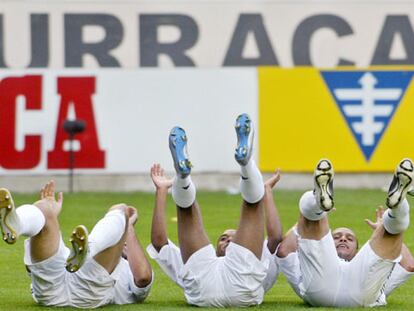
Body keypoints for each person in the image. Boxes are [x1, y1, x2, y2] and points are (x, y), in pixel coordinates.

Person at [146, 113, 282, 307]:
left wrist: (161, 191)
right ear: (218, 248)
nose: (227, 239)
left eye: (230, 237)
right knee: (253, 204)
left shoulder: (238, 253)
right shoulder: (249, 254)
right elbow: (275, 237)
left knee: (186, 210)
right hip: (240, 286)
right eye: (224, 238)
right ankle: (245, 164)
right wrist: (265, 192)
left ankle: (183, 178)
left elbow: (159, 244)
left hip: (204, 289)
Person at [276, 158, 414, 307]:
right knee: (391, 232)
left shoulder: (359, 262)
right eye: (336, 237)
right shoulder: (324, 255)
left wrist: (382, 229)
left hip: (324, 292)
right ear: (329, 243)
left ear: (357, 251)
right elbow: (409, 265)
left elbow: (284, 250)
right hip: (355, 294)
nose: (343, 239)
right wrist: (385, 232)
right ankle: (398, 208)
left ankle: (316, 201)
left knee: (313, 219)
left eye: (349, 238)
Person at [0, 180, 153, 308]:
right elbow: (33, 267)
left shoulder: (125, 269)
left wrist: (128, 228)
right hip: (57, 283)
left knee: (121, 209)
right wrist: (51, 216)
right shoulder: (71, 256)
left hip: (82, 293)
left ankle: (89, 250)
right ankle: (16, 225)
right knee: (44, 207)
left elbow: (143, 277)